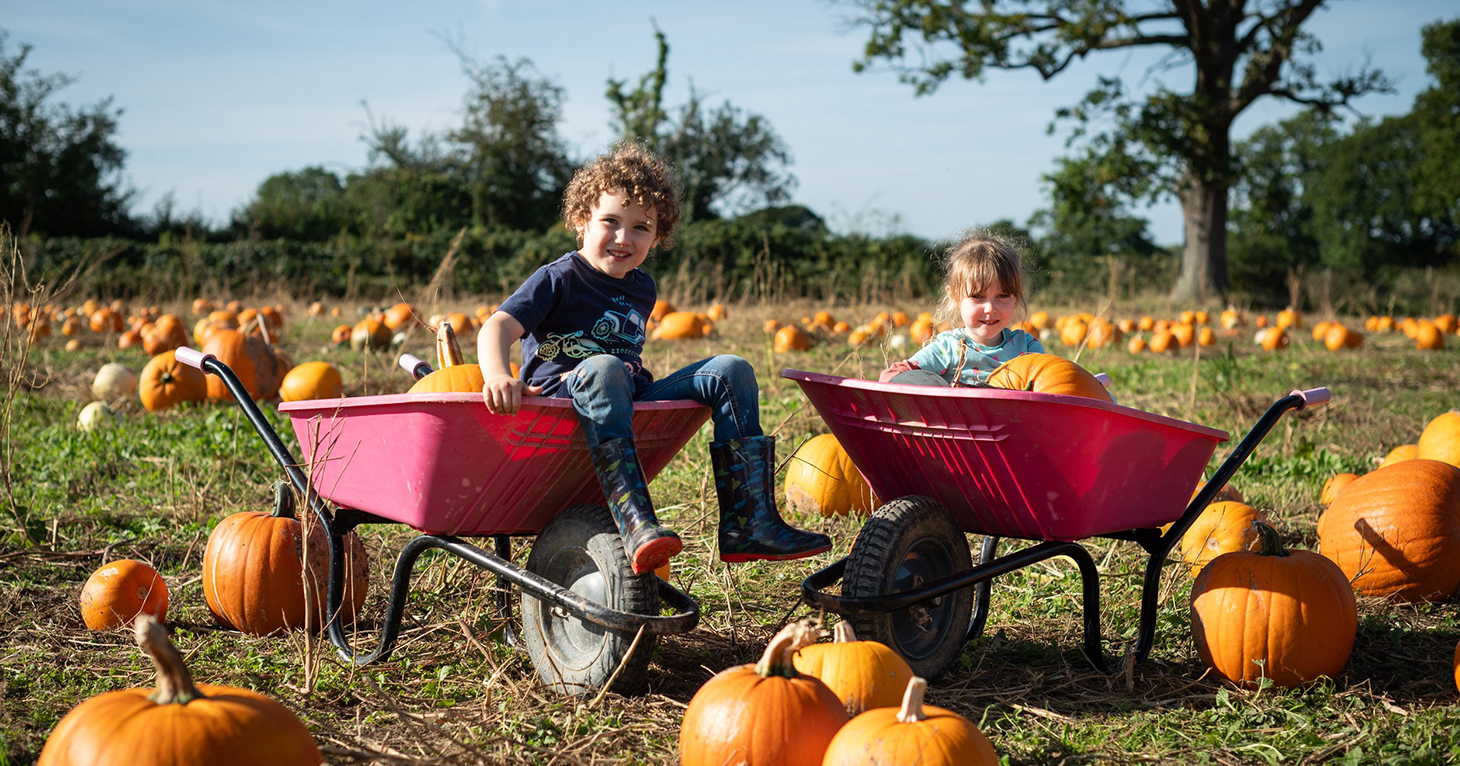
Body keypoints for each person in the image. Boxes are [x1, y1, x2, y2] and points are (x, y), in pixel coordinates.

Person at [478, 141, 830, 576]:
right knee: (603, 367)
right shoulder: (559, 277)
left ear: (658, 237)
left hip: (628, 394)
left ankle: (748, 522)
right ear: (581, 220)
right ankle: (634, 520)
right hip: (563, 395)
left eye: (641, 227)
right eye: (610, 221)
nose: (624, 238)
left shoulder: (642, 287)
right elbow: (497, 326)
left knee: (730, 369)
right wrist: (496, 375)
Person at [878, 229, 1044, 386]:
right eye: (977, 296)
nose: (990, 308)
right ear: (955, 297)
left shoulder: (1028, 348)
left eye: (1002, 296)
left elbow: (1053, 384)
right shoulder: (950, 348)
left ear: (1016, 297)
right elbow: (892, 376)